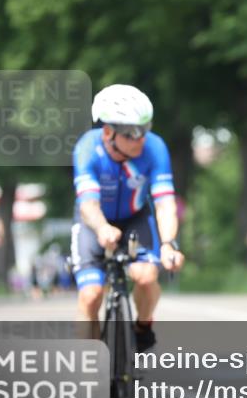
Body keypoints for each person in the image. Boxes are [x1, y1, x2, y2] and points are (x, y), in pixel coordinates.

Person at [72, 84, 185, 350]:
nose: (141, 139)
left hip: (135, 217)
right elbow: (88, 204)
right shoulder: (87, 148)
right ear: (108, 132)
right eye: (132, 133)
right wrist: (102, 228)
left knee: (146, 277)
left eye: (145, 129)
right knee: (91, 296)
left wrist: (168, 243)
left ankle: (143, 327)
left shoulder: (155, 148)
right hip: (94, 221)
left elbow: (165, 203)